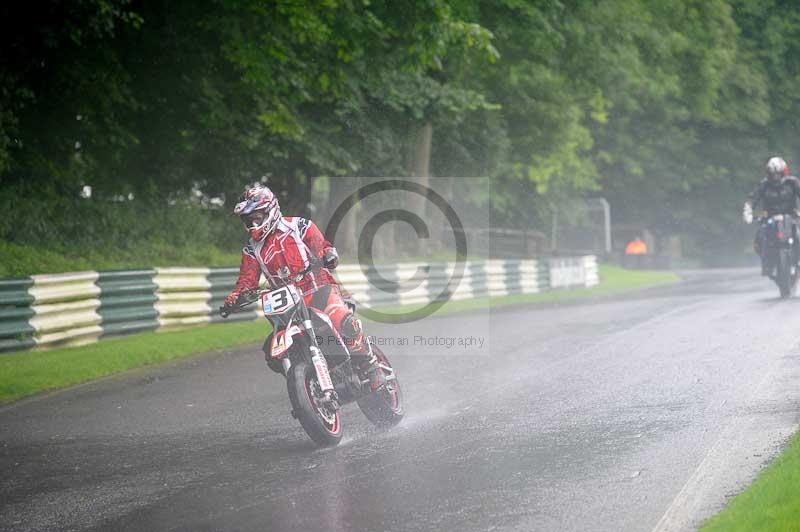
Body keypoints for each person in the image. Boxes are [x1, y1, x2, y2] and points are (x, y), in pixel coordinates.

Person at [222, 184, 385, 390]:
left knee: (341, 320)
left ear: (270, 210)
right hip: (289, 306)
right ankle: (307, 381)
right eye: (248, 220)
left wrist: (327, 254)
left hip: (319, 290)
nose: (252, 224)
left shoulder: (300, 226)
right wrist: (237, 296)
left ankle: (371, 367)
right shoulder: (251, 250)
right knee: (271, 352)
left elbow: (323, 247)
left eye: (256, 218)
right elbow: (247, 280)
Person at [743, 156, 800, 274]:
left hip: (791, 215)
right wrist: (748, 211)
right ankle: (767, 263)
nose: (775, 177)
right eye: (772, 174)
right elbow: (753, 198)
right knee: (759, 239)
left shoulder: (793, 182)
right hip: (768, 216)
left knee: (799, 234)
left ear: (784, 172)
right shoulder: (764, 185)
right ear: (768, 174)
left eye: (778, 174)